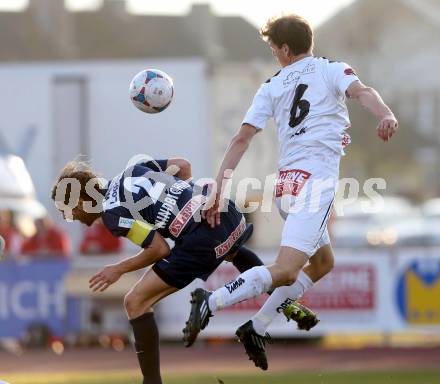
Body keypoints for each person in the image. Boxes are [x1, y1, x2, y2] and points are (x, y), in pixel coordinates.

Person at [184, 13, 399, 370]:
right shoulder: (331, 68)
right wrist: (385, 114)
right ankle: (211, 301)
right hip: (316, 182)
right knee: (285, 269)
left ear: (285, 48)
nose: (273, 55)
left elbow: (241, 138)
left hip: (287, 185)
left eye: (273, 48)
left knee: (323, 262)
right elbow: (362, 92)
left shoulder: (271, 85)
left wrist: (219, 186)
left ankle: (256, 325)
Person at [51, 155, 302, 384]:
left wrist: (118, 269)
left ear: (82, 198)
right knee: (231, 250)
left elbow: (159, 249)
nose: (69, 217)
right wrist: (182, 207)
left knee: (135, 302)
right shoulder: (134, 170)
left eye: (68, 210)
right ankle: (289, 305)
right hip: (226, 213)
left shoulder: (112, 214)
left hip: (202, 239)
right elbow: (184, 166)